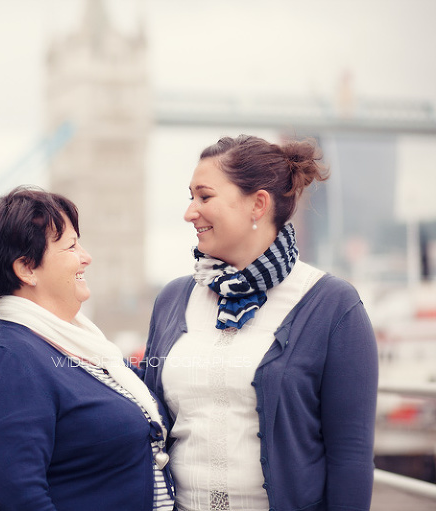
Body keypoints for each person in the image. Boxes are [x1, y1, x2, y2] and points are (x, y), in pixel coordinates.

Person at [142, 135, 378, 511]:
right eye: (190, 197)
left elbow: (350, 454)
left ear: (258, 204)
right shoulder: (173, 299)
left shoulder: (333, 305)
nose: (190, 212)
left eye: (204, 197)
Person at [0, 185, 174, 511]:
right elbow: (18, 495)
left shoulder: (82, 345)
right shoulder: (13, 360)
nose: (86, 257)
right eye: (72, 246)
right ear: (27, 268)